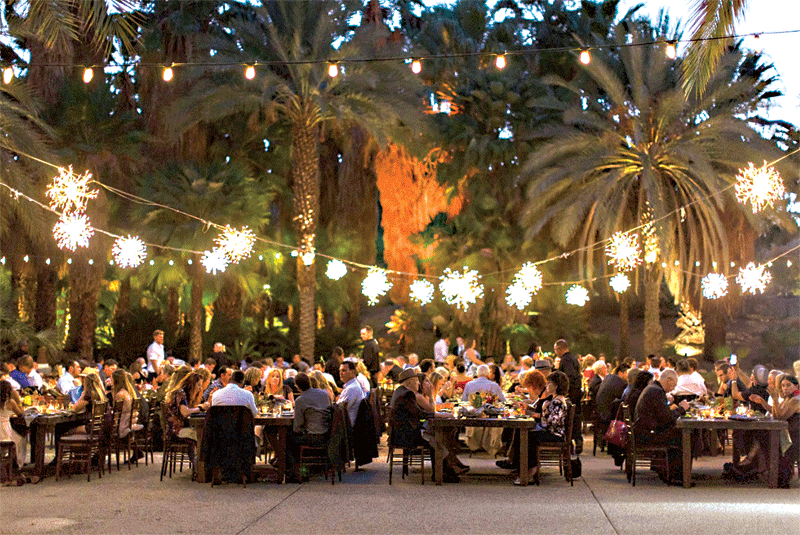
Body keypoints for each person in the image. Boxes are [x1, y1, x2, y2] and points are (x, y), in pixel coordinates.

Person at [391, 369, 466, 482]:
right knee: (438, 439)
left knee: (440, 435)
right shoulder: (407, 394)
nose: (418, 384)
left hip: (402, 433)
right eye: (416, 381)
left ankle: (448, 470)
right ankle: (442, 474)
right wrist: (440, 416)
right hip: (407, 436)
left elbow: (417, 414)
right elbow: (420, 413)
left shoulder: (400, 391)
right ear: (410, 382)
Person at [633, 369, 690, 484]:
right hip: (648, 436)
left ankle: (667, 470)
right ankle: (678, 476)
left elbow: (661, 414)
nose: (674, 388)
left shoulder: (653, 388)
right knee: (685, 436)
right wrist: (682, 409)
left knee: (680, 433)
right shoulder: (657, 391)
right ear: (669, 380)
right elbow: (667, 419)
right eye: (674, 384)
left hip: (643, 432)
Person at [515, 371, 571, 485]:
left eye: (549, 383)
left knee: (527, 436)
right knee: (526, 434)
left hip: (555, 435)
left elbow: (551, 422)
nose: (547, 386)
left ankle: (531, 469)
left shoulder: (558, 401)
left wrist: (535, 413)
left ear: (556, 385)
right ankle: (524, 468)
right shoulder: (554, 399)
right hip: (553, 432)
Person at [287, 372, 332, 479]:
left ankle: (293, 471)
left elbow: (297, 427)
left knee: (287, 437)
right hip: (327, 433)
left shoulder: (300, 400)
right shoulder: (324, 394)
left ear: (297, 387)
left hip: (312, 437)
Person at [554, 339, 583, 453]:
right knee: (575, 418)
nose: (556, 352)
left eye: (556, 350)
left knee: (570, 419)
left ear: (560, 349)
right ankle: (578, 441)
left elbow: (569, 376)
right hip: (576, 393)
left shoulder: (565, 360)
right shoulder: (573, 358)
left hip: (571, 394)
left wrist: (565, 392)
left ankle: (570, 443)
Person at [0, 380, 26, 468]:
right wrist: (18, 400)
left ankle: (8, 461)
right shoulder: (10, 402)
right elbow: (20, 413)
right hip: (5, 432)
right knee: (20, 439)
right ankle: (16, 463)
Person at [111, 370, 143, 439]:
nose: (110, 381)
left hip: (122, 425)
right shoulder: (128, 392)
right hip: (130, 422)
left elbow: (116, 414)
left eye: (112, 379)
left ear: (116, 380)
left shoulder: (120, 394)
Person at [337, 361, 366, 427]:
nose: (341, 373)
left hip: (347, 427)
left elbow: (339, 410)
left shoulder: (352, 388)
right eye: (340, 371)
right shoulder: (352, 385)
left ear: (352, 372)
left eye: (344, 370)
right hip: (346, 424)